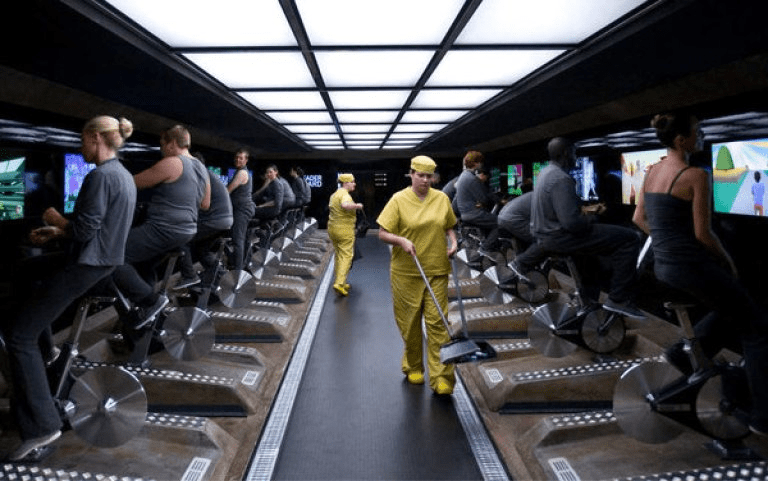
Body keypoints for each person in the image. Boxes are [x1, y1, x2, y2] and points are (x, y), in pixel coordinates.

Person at [2, 115, 137, 461]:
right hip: (100, 262)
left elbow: (85, 231)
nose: (81, 148)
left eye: (82, 141)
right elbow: (94, 229)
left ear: (95, 138)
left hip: (86, 264)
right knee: (25, 270)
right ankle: (44, 351)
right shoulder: (122, 174)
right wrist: (57, 234)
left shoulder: (100, 176)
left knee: (18, 336)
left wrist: (55, 221)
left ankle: (42, 424)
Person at [632, 110, 768, 435]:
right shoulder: (695, 176)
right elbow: (703, 234)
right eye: (697, 131)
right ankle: (763, 419)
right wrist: (728, 263)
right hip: (691, 267)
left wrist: (664, 241)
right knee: (758, 330)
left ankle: (684, 353)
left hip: (663, 269)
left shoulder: (650, 172)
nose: (701, 137)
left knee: (733, 308)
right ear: (682, 140)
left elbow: (638, 218)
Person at [531, 137, 645, 319]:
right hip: (560, 237)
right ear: (567, 154)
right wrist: (593, 217)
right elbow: (572, 224)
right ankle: (619, 298)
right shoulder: (561, 179)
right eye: (575, 154)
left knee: (593, 262)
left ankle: (590, 300)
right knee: (630, 237)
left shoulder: (544, 173)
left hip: (547, 236)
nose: (576, 159)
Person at [111, 124, 210, 328]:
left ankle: (151, 301)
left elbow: (131, 182)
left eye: (162, 144)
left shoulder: (173, 163)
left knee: (112, 254)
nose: (161, 149)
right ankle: (146, 311)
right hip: (187, 231)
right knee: (145, 263)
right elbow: (204, 203)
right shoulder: (201, 168)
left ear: (173, 143)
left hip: (164, 228)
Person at [377, 156, 458, 396]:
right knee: (410, 324)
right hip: (406, 272)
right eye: (420, 175)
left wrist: (453, 242)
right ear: (411, 174)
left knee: (438, 325)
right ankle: (413, 366)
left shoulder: (442, 198)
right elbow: (382, 233)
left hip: (436, 269)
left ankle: (442, 377)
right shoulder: (398, 200)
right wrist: (401, 240)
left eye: (429, 176)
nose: (425, 180)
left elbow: (448, 226)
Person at [177, 153, 233, 287]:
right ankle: (223, 277)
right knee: (202, 250)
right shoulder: (207, 173)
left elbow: (203, 204)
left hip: (215, 219)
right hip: (225, 220)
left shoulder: (200, 174)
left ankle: (189, 276)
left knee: (181, 238)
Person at [453, 150, 500, 256]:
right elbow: (483, 199)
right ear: (475, 163)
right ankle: (485, 248)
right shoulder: (472, 179)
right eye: (480, 162)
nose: (481, 165)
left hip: (465, 214)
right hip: (473, 214)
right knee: (501, 223)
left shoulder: (463, 176)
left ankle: (487, 243)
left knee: (490, 221)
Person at [327, 173, 362, 296]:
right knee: (347, 255)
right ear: (346, 183)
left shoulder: (334, 195)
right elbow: (345, 205)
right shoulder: (344, 195)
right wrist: (357, 206)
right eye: (352, 181)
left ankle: (342, 280)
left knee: (339, 255)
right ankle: (339, 282)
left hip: (332, 229)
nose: (354, 184)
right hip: (344, 230)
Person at [227, 148, 256, 271]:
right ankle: (242, 264)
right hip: (243, 209)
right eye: (237, 157)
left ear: (246, 160)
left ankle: (237, 272)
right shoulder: (241, 171)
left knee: (238, 240)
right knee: (241, 239)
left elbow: (228, 190)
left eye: (241, 158)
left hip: (242, 210)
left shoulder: (242, 173)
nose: (238, 160)